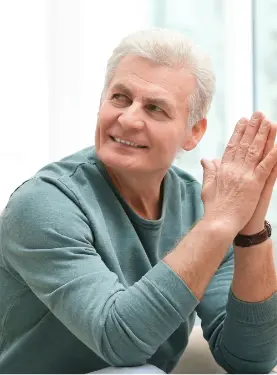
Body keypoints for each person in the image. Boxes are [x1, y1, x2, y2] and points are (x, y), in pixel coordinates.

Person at [0, 28, 277, 374]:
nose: (129, 119)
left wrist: (250, 229)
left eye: (155, 108)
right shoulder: (43, 205)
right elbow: (120, 340)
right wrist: (220, 223)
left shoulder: (199, 206)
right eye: (119, 97)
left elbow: (252, 359)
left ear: (193, 133)